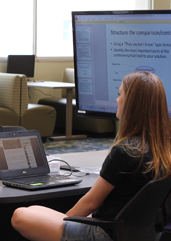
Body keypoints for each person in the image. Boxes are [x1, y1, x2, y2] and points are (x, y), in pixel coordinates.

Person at [11, 71, 171, 241]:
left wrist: (66, 223)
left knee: (20, 215)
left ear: (131, 103)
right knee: (35, 209)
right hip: (137, 233)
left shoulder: (126, 151)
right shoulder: (163, 149)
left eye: (120, 94)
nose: (117, 100)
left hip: (106, 234)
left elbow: (91, 202)